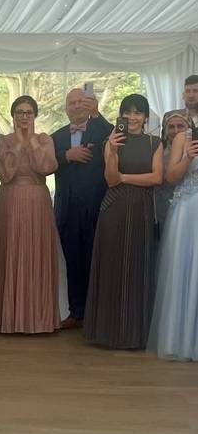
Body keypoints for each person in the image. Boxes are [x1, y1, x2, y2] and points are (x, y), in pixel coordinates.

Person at [83, 94, 163, 351]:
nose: (132, 117)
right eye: (127, 112)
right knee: (112, 267)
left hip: (141, 210)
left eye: (137, 112)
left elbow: (157, 178)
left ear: (146, 117)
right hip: (114, 209)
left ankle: (135, 335)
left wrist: (126, 177)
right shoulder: (111, 142)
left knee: (138, 267)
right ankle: (106, 334)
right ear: (120, 115)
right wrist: (114, 151)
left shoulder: (155, 142)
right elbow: (110, 179)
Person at [0, 95, 60, 335]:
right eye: (19, 112)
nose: (23, 116)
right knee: (9, 252)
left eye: (28, 112)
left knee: (36, 254)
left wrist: (30, 142)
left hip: (38, 202)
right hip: (9, 201)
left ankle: (38, 320)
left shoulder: (44, 139)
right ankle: (7, 318)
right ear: (12, 115)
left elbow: (48, 167)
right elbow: (2, 172)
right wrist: (18, 143)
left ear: (35, 115)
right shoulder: (2, 140)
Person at [52, 88, 113, 329]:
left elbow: (116, 136)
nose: (76, 106)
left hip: (97, 207)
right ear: (66, 108)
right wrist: (67, 155)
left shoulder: (101, 130)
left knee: (96, 262)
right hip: (67, 210)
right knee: (73, 263)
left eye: (80, 102)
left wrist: (97, 114)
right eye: (71, 103)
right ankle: (77, 313)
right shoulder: (55, 136)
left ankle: (97, 316)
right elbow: (44, 162)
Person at [148, 119, 198, 360]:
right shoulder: (182, 138)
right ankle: (180, 340)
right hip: (188, 211)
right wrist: (189, 156)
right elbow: (172, 176)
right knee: (183, 271)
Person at [154, 110, 191, 229]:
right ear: (165, 131)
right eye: (171, 127)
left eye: (180, 126)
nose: (176, 131)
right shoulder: (157, 152)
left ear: (189, 128)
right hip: (164, 205)